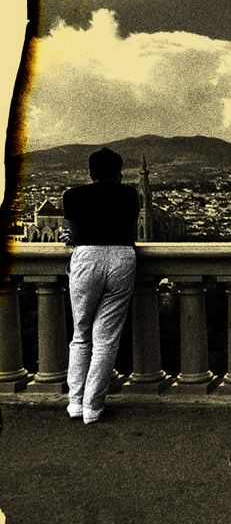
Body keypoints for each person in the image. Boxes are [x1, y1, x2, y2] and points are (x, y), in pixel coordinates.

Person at [62, 147, 139, 424]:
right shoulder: (130, 195)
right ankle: (93, 407)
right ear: (119, 174)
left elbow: (75, 233)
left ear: (90, 173)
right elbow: (128, 227)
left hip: (87, 257)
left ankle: (75, 403)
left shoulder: (72, 196)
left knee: (81, 333)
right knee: (106, 339)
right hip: (122, 257)